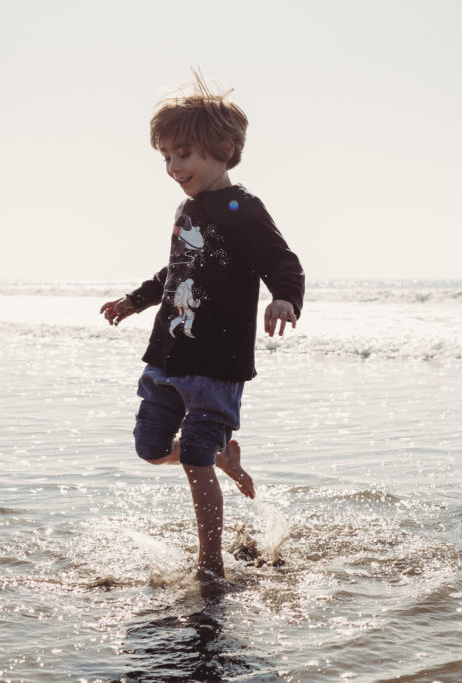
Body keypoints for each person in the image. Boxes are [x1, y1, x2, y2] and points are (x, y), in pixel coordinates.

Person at [99, 73, 304, 581]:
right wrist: (139, 299)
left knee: (192, 459)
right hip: (169, 356)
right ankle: (222, 457)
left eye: (184, 154)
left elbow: (284, 263)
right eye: (167, 156)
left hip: (216, 364)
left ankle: (209, 564)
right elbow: (178, 271)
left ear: (225, 149)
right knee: (150, 449)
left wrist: (284, 298)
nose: (173, 166)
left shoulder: (243, 210)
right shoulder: (187, 209)